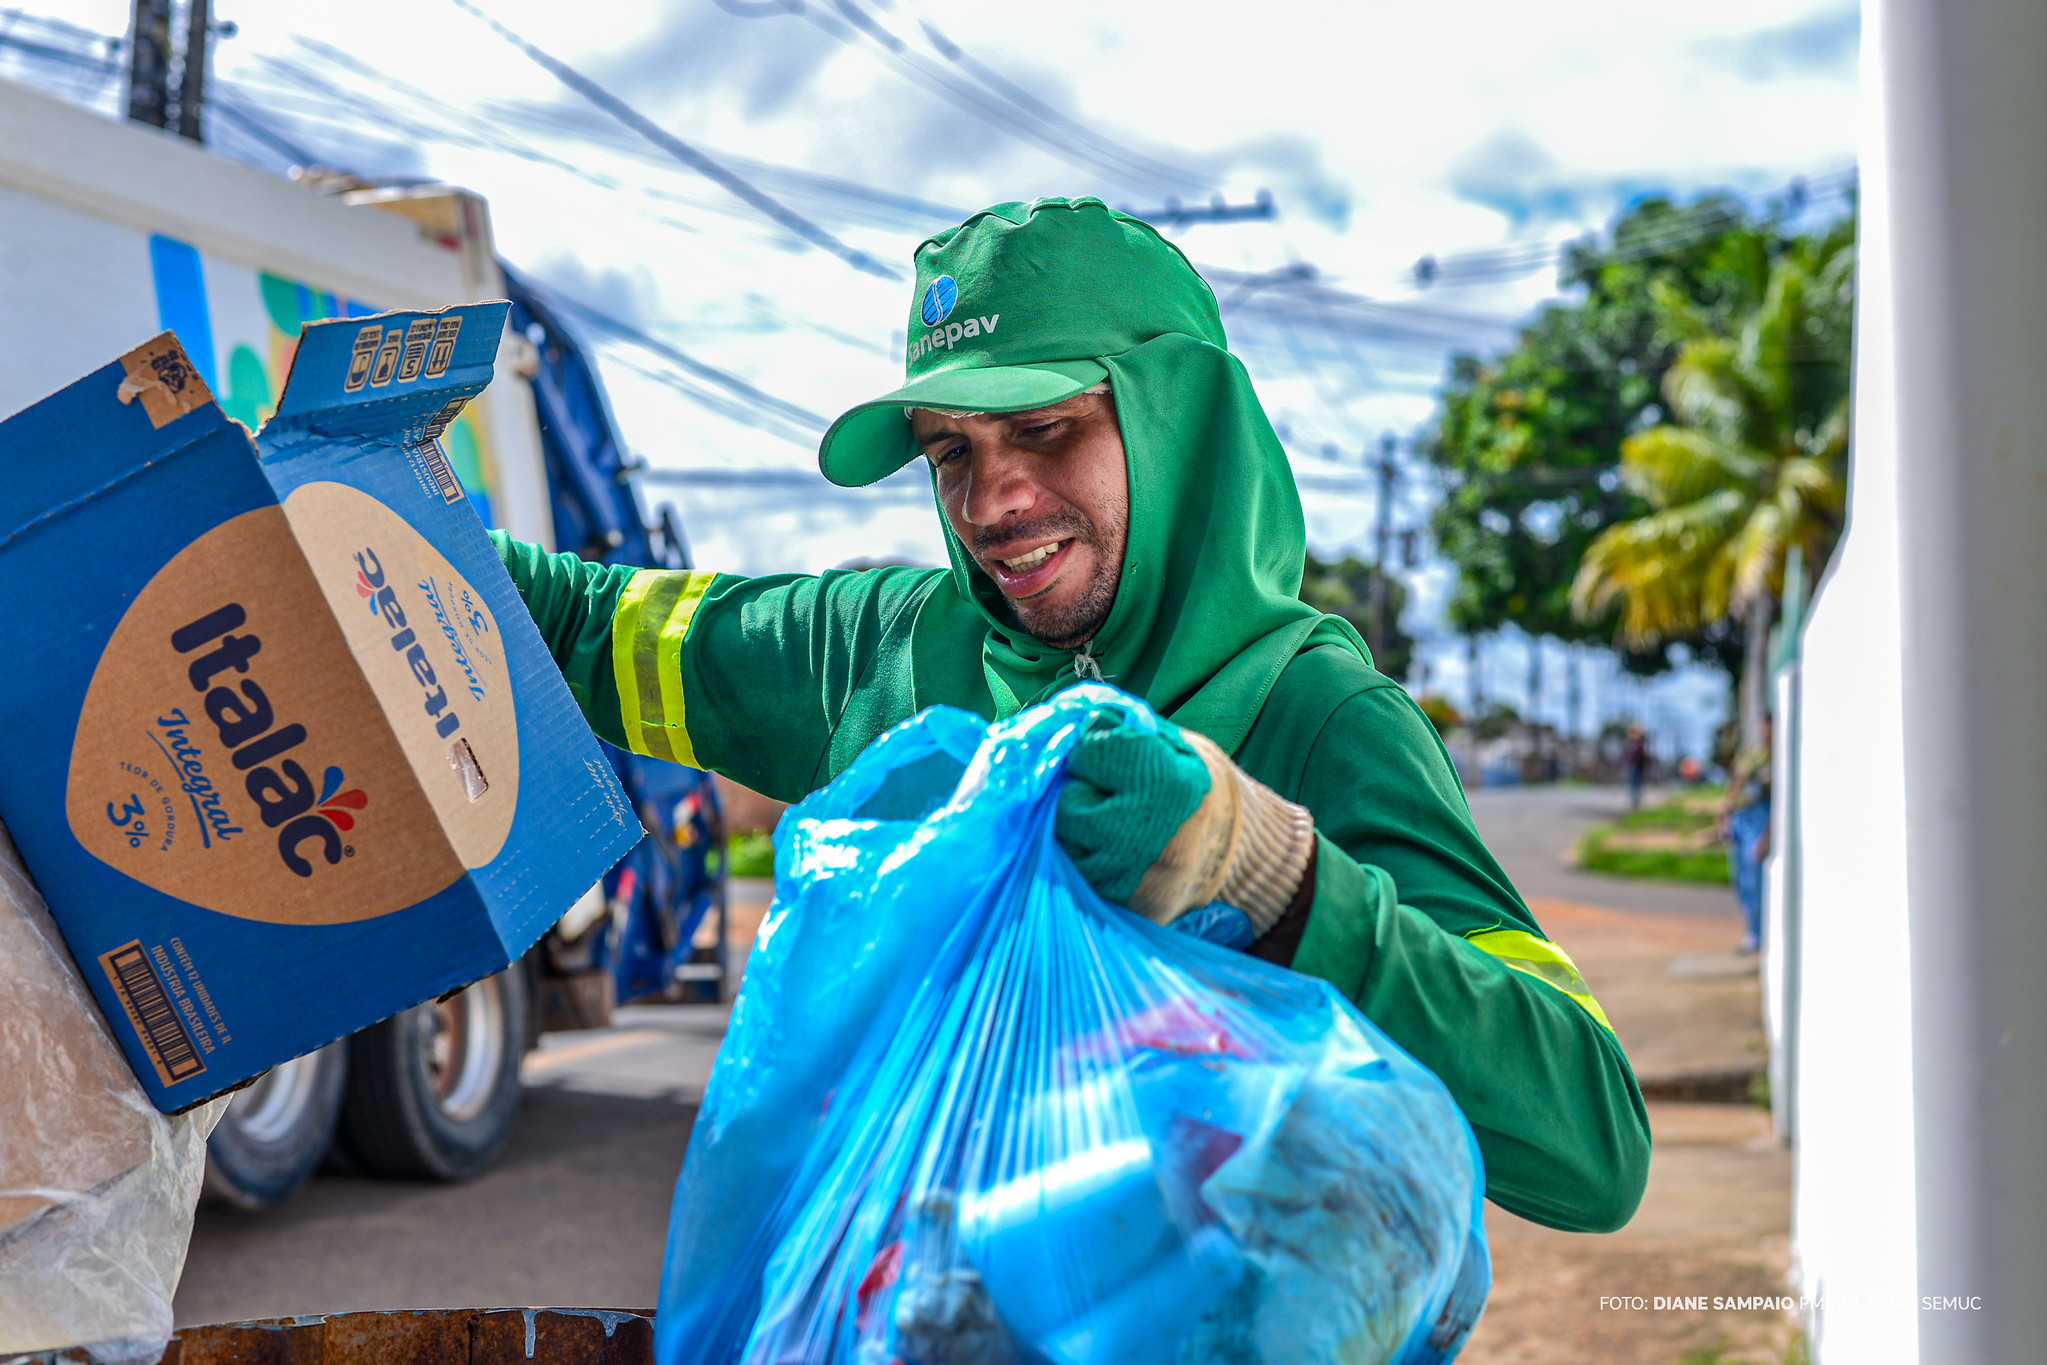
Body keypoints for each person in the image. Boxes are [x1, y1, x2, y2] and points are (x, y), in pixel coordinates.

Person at [493, 199, 1649, 1233]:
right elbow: (577, 622)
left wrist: (1267, 872)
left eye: (1046, 428)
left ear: (1179, 425)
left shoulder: (1318, 714)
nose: (990, 501)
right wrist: (347, 519)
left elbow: (1591, 1147)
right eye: (952, 449)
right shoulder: (880, 651)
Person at [1719, 714, 1774, 953]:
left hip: (1759, 817)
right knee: (1740, 879)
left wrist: (1766, 836)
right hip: (1740, 817)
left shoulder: (1777, 759)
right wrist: (1723, 814)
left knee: (1754, 880)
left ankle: (1758, 934)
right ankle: (1751, 931)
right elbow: (1736, 782)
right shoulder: (1753, 753)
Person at [1621, 722, 1649, 810]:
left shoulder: (1642, 743)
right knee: (1632, 785)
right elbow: (1625, 756)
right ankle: (1634, 801)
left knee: (1637, 785)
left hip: (1639, 768)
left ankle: (1636, 802)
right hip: (1631, 767)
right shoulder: (1628, 743)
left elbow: (1645, 757)